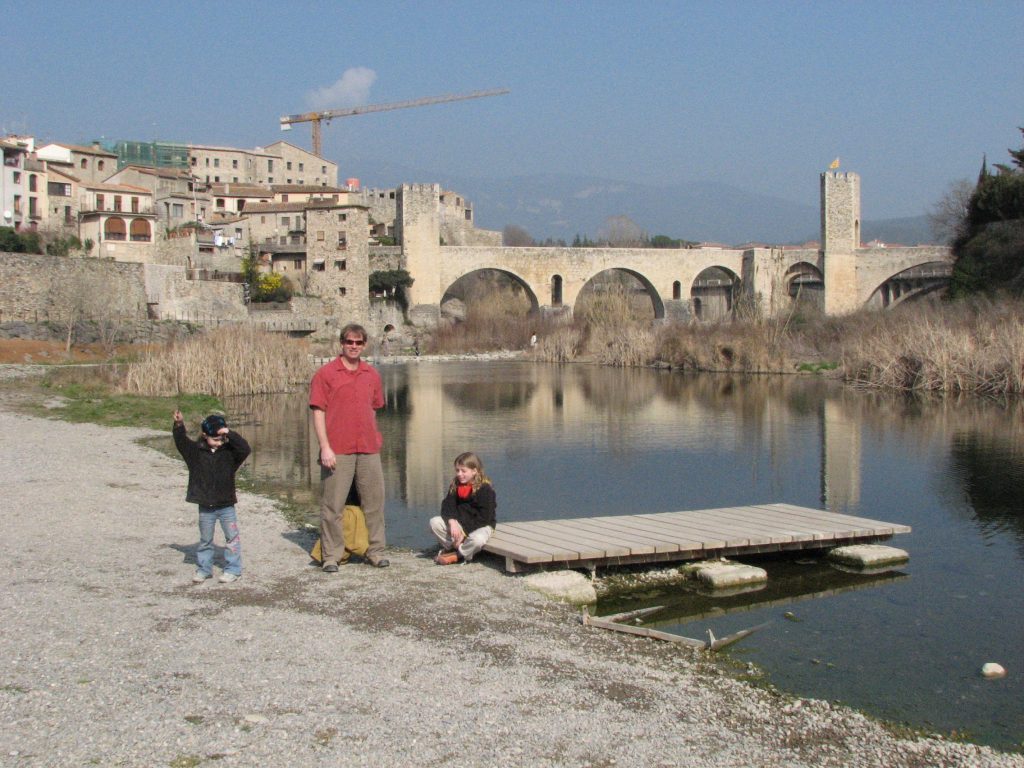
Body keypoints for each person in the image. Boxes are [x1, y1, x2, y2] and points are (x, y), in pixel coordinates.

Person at [309, 323, 389, 572]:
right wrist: (324, 447)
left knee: (374, 503)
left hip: (368, 447)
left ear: (364, 345)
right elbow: (318, 411)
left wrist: (373, 435)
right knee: (333, 505)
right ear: (341, 344)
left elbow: (374, 407)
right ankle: (331, 555)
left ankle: (375, 551)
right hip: (338, 448)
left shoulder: (371, 375)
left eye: (358, 343)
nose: (353, 346)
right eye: (349, 342)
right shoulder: (326, 374)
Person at [173, 410, 251, 584]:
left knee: (232, 538)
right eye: (215, 439)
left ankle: (233, 569)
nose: (218, 443)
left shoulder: (230, 453)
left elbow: (245, 448)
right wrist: (179, 424)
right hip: (205, 505)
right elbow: (180, 441)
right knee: (205, 540)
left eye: (221, 439)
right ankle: (204, 569)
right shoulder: (195, 452)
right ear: (204, 436)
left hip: (226, 505)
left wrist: (228, 432)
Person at [429, 452, 496, 565]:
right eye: (457, 470)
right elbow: (447, 506)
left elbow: (484, 519)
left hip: (481, 526)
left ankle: (458, 555)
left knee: (477, 540)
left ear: (474, 471)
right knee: (434, 522)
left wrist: (464, 534)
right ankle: (453, 547)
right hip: (460, 524)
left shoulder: (485, 489)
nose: (459, 474)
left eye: (463, 471)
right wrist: (452, 521)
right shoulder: (456, 485)